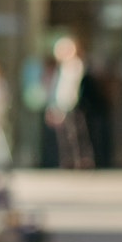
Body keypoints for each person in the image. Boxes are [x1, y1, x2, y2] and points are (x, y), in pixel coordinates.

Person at [44, 36, 92, 169]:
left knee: (76, 134)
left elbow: (72, 88)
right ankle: (69, 160)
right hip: (62, 104)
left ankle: (81, 160)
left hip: (73, 105)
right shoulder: (60, 69)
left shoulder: (75, 66)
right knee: (65, 135)